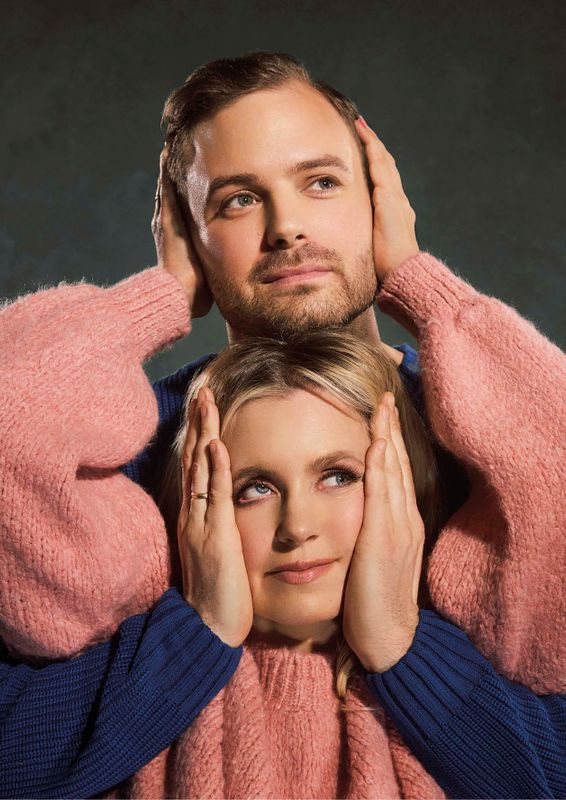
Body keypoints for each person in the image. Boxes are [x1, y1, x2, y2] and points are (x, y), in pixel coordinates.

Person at [0, 51, 564, 798]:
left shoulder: (490, 437)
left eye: (321, 182)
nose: (287, 228)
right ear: (187, 233)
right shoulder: (124, 455)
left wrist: (423, 284)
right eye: (238, 200)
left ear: (380, 199)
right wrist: (158, 296)